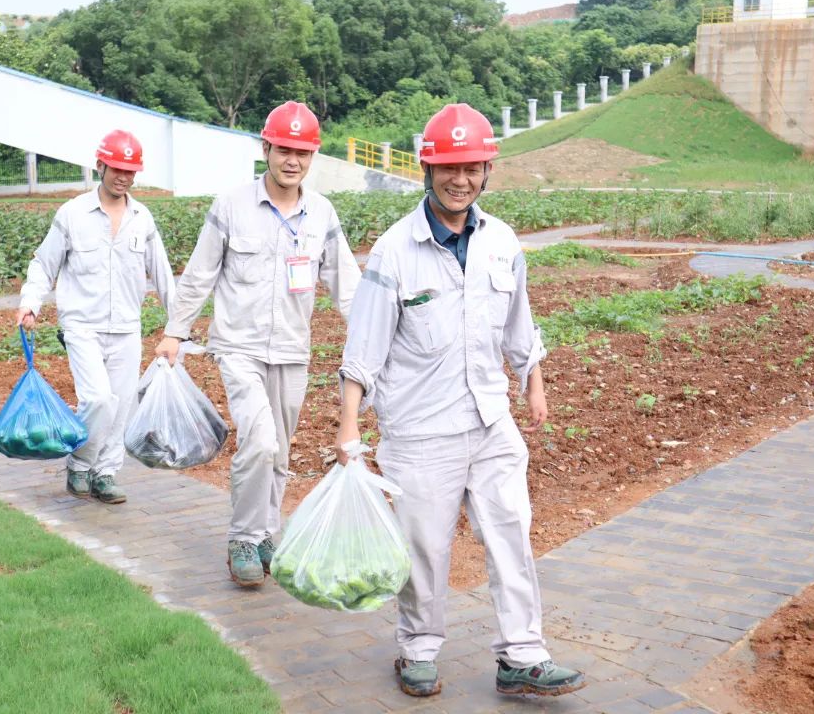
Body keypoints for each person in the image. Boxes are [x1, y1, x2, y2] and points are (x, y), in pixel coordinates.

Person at [335, 104, 586, 698]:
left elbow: (518, 323)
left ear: (486, 171)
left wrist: (533, 380)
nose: (461, 179)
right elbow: (363, 349)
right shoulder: (395, 252)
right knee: (424, 548)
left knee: (511, 535)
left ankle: (522, 655)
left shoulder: (501, 241)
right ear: (428, 170)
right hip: (420, 430)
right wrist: (349, 430)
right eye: (449, 167)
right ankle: (418, 649)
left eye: (472, 168)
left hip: (490, 420)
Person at [155, 101, 361, 588]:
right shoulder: (231, 206)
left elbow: (347, 285)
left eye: (302, 153)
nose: (292, 160)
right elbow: (200, 273)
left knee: (280, 452)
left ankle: (268, 531)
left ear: (312, 156)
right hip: (239, 347)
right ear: (265, 148)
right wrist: (174, 332)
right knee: (260, 441)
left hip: (292, 350)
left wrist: (375, 339)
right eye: (284, 150)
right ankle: (243, 538)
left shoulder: (321, 213)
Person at [16, 129, 174, 505]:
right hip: (82, 325)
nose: (123, 177)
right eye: (117, 169)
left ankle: (105, 473)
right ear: (100, 166)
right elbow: (44, 263)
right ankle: (80, 463)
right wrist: (30, 302)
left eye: (130, 171)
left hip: (126, 327)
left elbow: (163, 274)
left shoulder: (142, 218)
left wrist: (178, 327)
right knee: (99, 399)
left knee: (121, 406)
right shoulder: (72, 214)